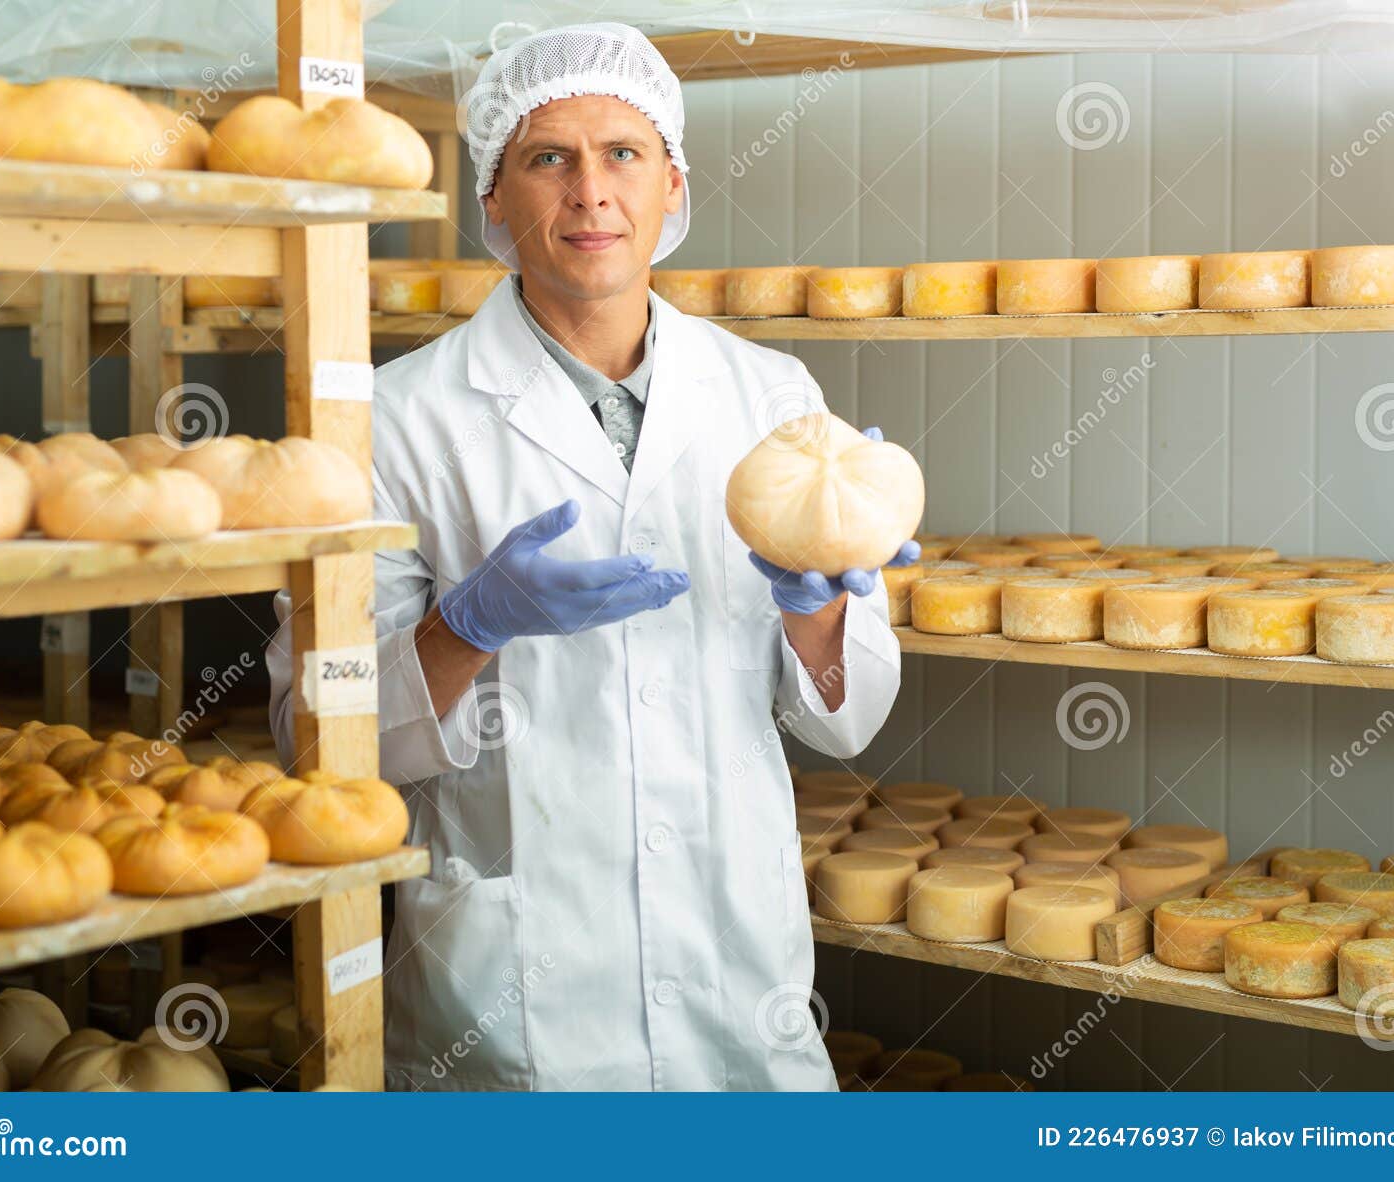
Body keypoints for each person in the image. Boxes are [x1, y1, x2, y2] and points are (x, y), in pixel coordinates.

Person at [266, 21, 917, 1091]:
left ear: (674, 186)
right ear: (493, 199)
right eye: (545, 157)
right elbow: (319, 741)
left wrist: (816, 609)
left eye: (623, 152)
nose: (589, 192)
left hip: (735, 972)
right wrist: (463, 627)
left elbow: (846, 718)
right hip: (512, 1007)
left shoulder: (773, 399)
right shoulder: (396, 418)